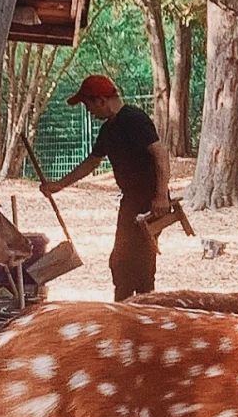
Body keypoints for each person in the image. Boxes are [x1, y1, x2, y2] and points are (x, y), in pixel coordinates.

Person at [42, 75, 171, 301]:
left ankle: (142, 313)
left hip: (149, 203)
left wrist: (161, 196)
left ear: (101, 100)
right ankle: (124, 309)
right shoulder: (108, 130)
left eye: (88, 104)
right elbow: (92, 162)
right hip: (130, 202)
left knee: (140, 264)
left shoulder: (134, 119)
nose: (88, 111)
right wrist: (60, 185)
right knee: (120, 263)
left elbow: (160, 154)